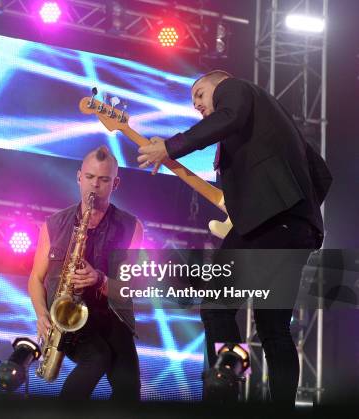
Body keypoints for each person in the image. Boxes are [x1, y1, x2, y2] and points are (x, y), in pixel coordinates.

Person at [136, 70, 332, 406]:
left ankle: (223, 397)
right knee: (274, 328)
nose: (196, 104)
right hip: (296, 230)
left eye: (199, 94)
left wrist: (170, 146)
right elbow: (323, 174)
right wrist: (299, 214)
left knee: (216, 307)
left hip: (267, 225)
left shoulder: (236, 89)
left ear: (219, 83)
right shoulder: (277, 126)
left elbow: (228, 116)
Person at [28, 146, 143, 400]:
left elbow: (129, 288)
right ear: (79, 177)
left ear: (116, 183)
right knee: (97, 358)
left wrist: (99, 279)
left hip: (112, 316)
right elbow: (36, 278)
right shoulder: (54, 224)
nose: (95, 186)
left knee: (129, 391)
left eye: (104, 180)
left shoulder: (132, 227)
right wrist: (41, 314)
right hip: (69, 317)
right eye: (90, 178)